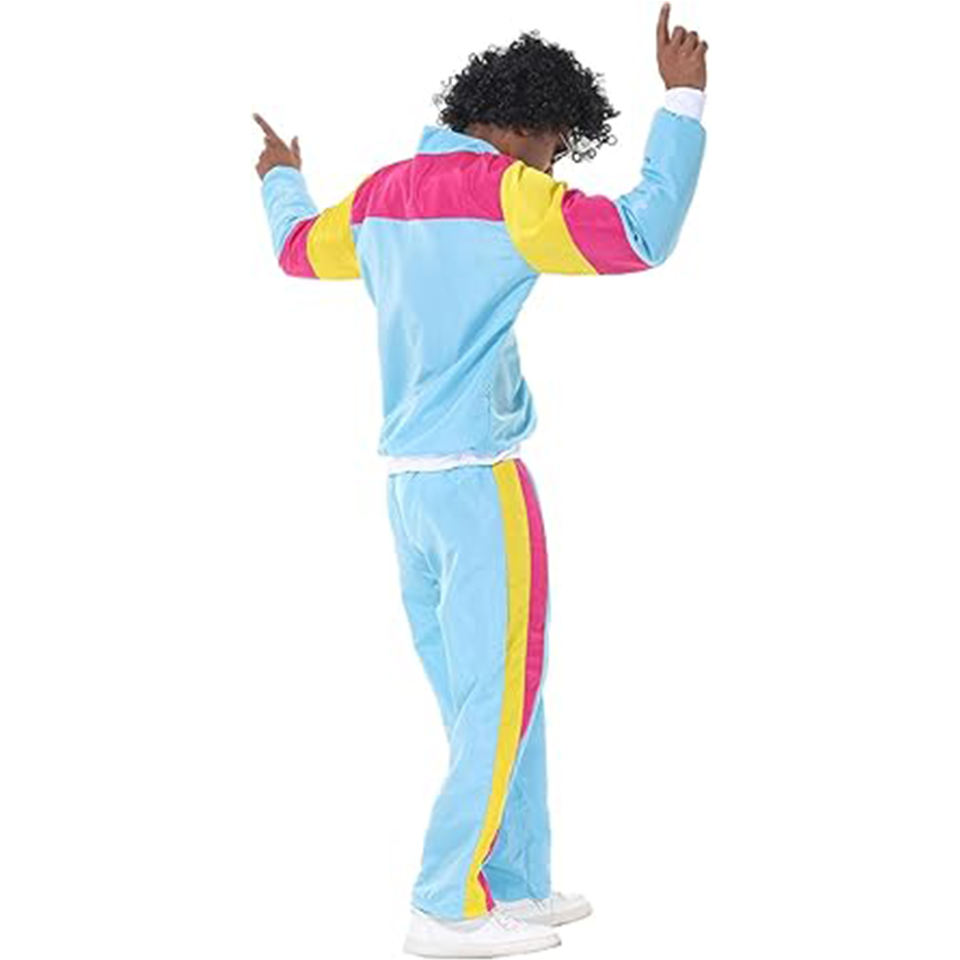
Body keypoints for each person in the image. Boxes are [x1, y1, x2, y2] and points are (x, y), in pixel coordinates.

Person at [254, 4, 707, 955]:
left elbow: (297, 251)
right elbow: (641, 236)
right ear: (533, 126)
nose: (556, 165)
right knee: (501, 696)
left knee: (491, 697)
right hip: (479, 487)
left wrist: (282, 178)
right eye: (557, 147)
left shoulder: (381, 196)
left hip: (406, 494)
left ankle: (517, 882)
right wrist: (682, 103)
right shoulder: (512, 196)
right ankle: (443, 904)